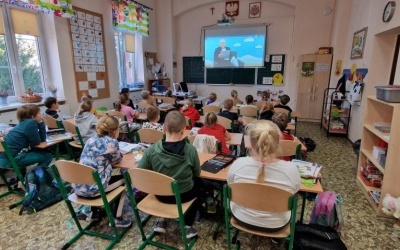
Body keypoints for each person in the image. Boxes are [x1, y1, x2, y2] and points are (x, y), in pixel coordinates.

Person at [227, 120, 301, 235]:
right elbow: (295, 190)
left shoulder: (238, 164)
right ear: (278, 143)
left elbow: (230, 185)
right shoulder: (291, 170)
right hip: (277, 224)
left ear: (251, 144)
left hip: (241, 218)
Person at [138, 111, 200, 238]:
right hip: (185, 195)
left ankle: (161, 220)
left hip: (160, 195)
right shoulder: (191, 150)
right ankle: (187, 226)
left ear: (163, 128)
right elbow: (197, 172)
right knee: (198, 184)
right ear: (183, 130)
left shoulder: (151, 151)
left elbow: (141, 172)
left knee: (163, 183)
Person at [72, 115, 131, 227]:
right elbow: (117, 160)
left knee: (94, 176)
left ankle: (93, 212)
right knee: (124, 179)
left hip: (78, 187)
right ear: (114, 132)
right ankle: (117, 218)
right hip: (94, 189)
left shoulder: (90, 139)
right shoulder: (112, 143)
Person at [3, 104, 52, 172]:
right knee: (47, 156)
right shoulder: (31, 123)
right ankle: (36, 175)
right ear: (33, 116)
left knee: (37, 151)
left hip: (5, 157)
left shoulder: (22, 123)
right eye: (39, 113)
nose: (40, 115)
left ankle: (25, 176)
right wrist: (41, 123)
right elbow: (37, 142)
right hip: (16, 158)